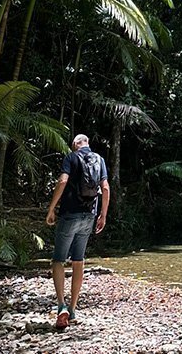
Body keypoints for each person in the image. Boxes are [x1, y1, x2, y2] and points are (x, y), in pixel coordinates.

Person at [45, 134, 110, 329]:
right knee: (78, 260)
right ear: (87, 144)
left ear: (75, 144)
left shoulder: (71, 157)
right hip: (89, 216)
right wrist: (103, 215)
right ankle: (73, 309)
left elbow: (63, 182)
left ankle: (61, 306)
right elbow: (105, 188)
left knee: (58, 260)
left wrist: (51, 208)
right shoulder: (100, 159)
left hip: (69, 215)